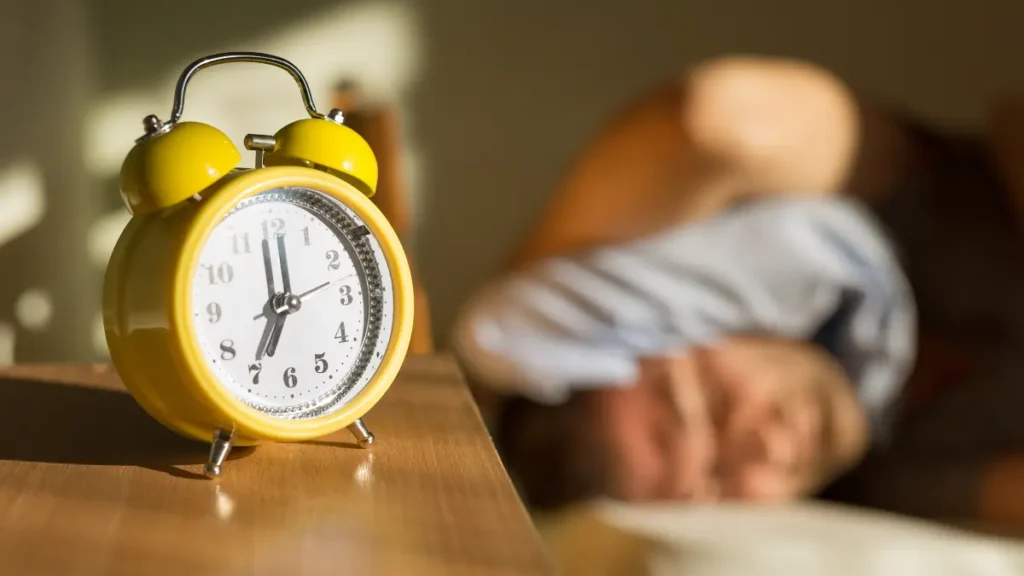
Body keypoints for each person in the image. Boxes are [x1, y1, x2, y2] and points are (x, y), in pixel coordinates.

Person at [451, 55, 1024, 523]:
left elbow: (714, 119)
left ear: (687, 317)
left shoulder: (891, 189)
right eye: (718, 483)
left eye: (713, 404)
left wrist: (469, 385)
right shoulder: (898, 480)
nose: (764, 448)